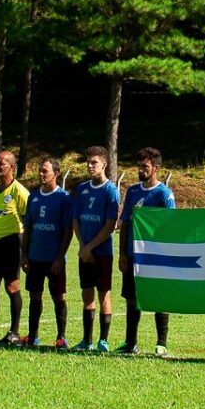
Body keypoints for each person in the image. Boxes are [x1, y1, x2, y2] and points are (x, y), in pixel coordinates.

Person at [118, 147, 176, 356]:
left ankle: (161, 343)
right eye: (139, 166)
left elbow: (170, 226)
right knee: (131, 298)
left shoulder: (164, 194)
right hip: (133, 255)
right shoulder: (133, 191)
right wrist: (123, 254)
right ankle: (130, 342)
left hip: (155, 257)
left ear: (157, 168)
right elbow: (124, 224)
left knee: (159, 297)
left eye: (145, 166)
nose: (140, 170)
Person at [70, 147, 120, 352]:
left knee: (104, 294)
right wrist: (83, 246)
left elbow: (110, 225)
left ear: (104, 165)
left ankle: (103, 341)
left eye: (94, 163)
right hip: (85, 252)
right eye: (88, 162)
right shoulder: (82, 190)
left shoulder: (111, 191)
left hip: (102, 253)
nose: (90, 166)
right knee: (86, 294)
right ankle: (86, 340)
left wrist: (90, 247)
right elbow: (75, 219)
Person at [0, 150, 32, 343]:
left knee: (11, 287)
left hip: (11, 243)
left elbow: (29, 222)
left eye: (1, 163)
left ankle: (14, 331)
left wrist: (26, 251)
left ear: (12, 167)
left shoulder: (20, 192)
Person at [22, 157, 73, 347]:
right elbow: (28, 227)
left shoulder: (64, 198)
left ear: (56, 174)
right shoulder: (33, 196)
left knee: (58, 296)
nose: (41, 174)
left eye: (45, 171)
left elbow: (68, 231)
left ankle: (61, 337)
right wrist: (24, 254)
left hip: (54, 259)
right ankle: (32, 336)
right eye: (40, 171)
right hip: (35, 256)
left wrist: (60, 257)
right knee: (34, 295)